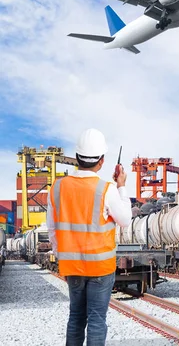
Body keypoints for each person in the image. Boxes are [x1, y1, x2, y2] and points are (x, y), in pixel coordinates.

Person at [47, 129, 132, 346]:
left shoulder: (57, 187)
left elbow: (52, 229)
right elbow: (125, 220)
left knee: (76, 318)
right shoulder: (107, 190)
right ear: (102, 161)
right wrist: (121, 186)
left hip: (72, 266)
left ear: (76, 158)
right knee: (96, 319)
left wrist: (61, 255)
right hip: (100, 268)